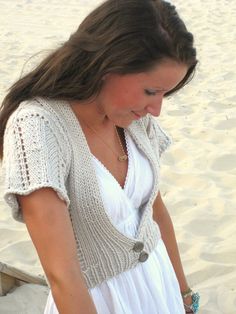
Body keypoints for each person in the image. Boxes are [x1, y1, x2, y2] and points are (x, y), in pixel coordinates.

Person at [0, 0, 200, 313]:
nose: (157, 109)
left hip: (160, 288)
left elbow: (156, 214)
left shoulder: (134, 120)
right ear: (108, 66)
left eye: (165, 93)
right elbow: (63, 275)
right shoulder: (38, 128)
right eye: (151, 91)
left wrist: (184, 295)